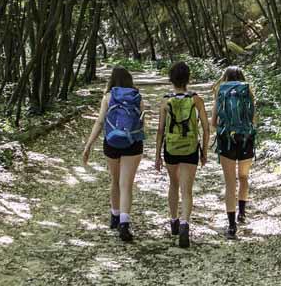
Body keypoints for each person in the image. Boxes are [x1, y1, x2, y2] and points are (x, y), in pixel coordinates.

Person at [82, 66, 146, 241]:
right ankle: (124, 223)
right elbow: (141, 124)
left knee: (115, 181)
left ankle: (114, 216)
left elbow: (100, 122)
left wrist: (88, 145)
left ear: (112, 80)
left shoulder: (108, 97)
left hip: (111, 143)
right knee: (126, 185)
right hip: (133, 145)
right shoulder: (137, 97)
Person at [154, 61, 210, 248]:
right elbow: (206, 127)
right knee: (187, 189)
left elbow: (160, 130)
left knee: (173, 184)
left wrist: (157, 156)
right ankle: (185, 223)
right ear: (188, 78)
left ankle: (174, 221)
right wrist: (205, 152)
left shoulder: (165, 101)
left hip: (171, 148)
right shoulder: (196, 99)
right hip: (191, 148)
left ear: (171, 79)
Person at [212, 65, 257, 239]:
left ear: (225, 78)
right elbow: (253, 119)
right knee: (244, 177)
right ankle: (242, 213)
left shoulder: (220, 93)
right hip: (246, 139)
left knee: (230, 183)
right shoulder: (247, 91)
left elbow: (213, 121)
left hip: (226, 141)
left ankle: (231, 226)